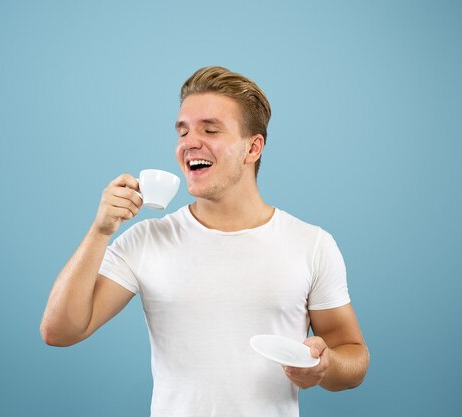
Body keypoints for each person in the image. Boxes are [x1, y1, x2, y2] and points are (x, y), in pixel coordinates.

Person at [40, 66, 369, 417]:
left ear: (253, 148)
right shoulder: (148, 239)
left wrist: (325, 365)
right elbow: (60, 331)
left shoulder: (311, 244)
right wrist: (100, 231)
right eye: (183, 132)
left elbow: (353, 356)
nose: (189, 143)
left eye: (210, 130)